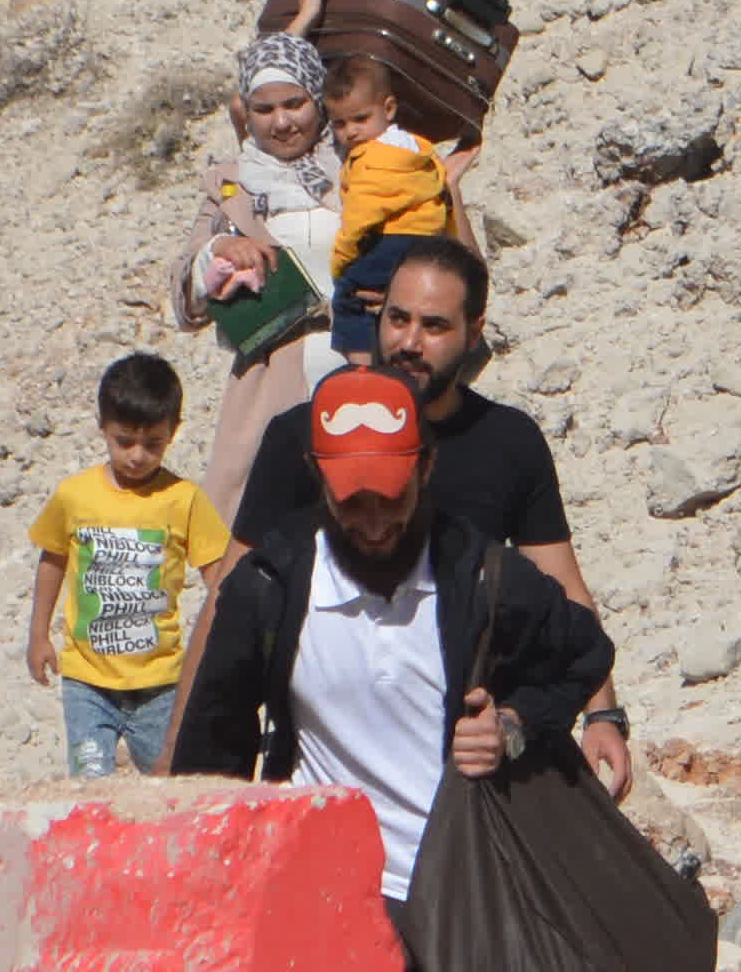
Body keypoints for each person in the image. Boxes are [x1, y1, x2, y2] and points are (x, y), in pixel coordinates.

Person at [170, 364, 630, 972]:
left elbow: (581, 653)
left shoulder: (479, 572)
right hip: (332, 891)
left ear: (423, 468)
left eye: (392, 493)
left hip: (465, 884)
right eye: (353, 500)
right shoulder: (272, 586)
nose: (375, 519)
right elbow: (211, 745)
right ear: (319, 479)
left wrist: (510, 724)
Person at [216, 236, 587, 613]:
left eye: (434, 326)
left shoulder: (509, 441)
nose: (409, 342)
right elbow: (232, 593)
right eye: (398, 318)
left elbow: (564, 594)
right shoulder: (302, 435)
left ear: (474, 333)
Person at [26, 350, 231, 777]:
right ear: (103, 427)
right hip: (87, 683)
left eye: (152, 444)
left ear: (173, 433)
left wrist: (225, 652)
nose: (137, 456)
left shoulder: (185, 499)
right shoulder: (74, 496)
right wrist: (38, 635)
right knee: (90, 786)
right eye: (125, 441)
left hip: (160, 684)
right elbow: (53, 560)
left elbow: (220, 578)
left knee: (170, 784)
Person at [185, 32, 351, 500]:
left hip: (366, 366)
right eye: (264, 110)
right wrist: (218, 252)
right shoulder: (232, 183)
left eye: (294, 103)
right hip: (275, 378)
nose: (281, 122)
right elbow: (183, 294)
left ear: (317, 97)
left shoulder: (360, 162)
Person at [321, 46, 462, 370]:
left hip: (390, 241)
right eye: (339, 124)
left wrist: (341, 261)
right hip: (426, 241)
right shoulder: (417, 149)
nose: (351, 131)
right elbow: (438, 188)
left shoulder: (371, 160)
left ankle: (361, 368)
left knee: (349, 299)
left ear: (389, 108)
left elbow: (360, 216)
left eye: (360, 118)